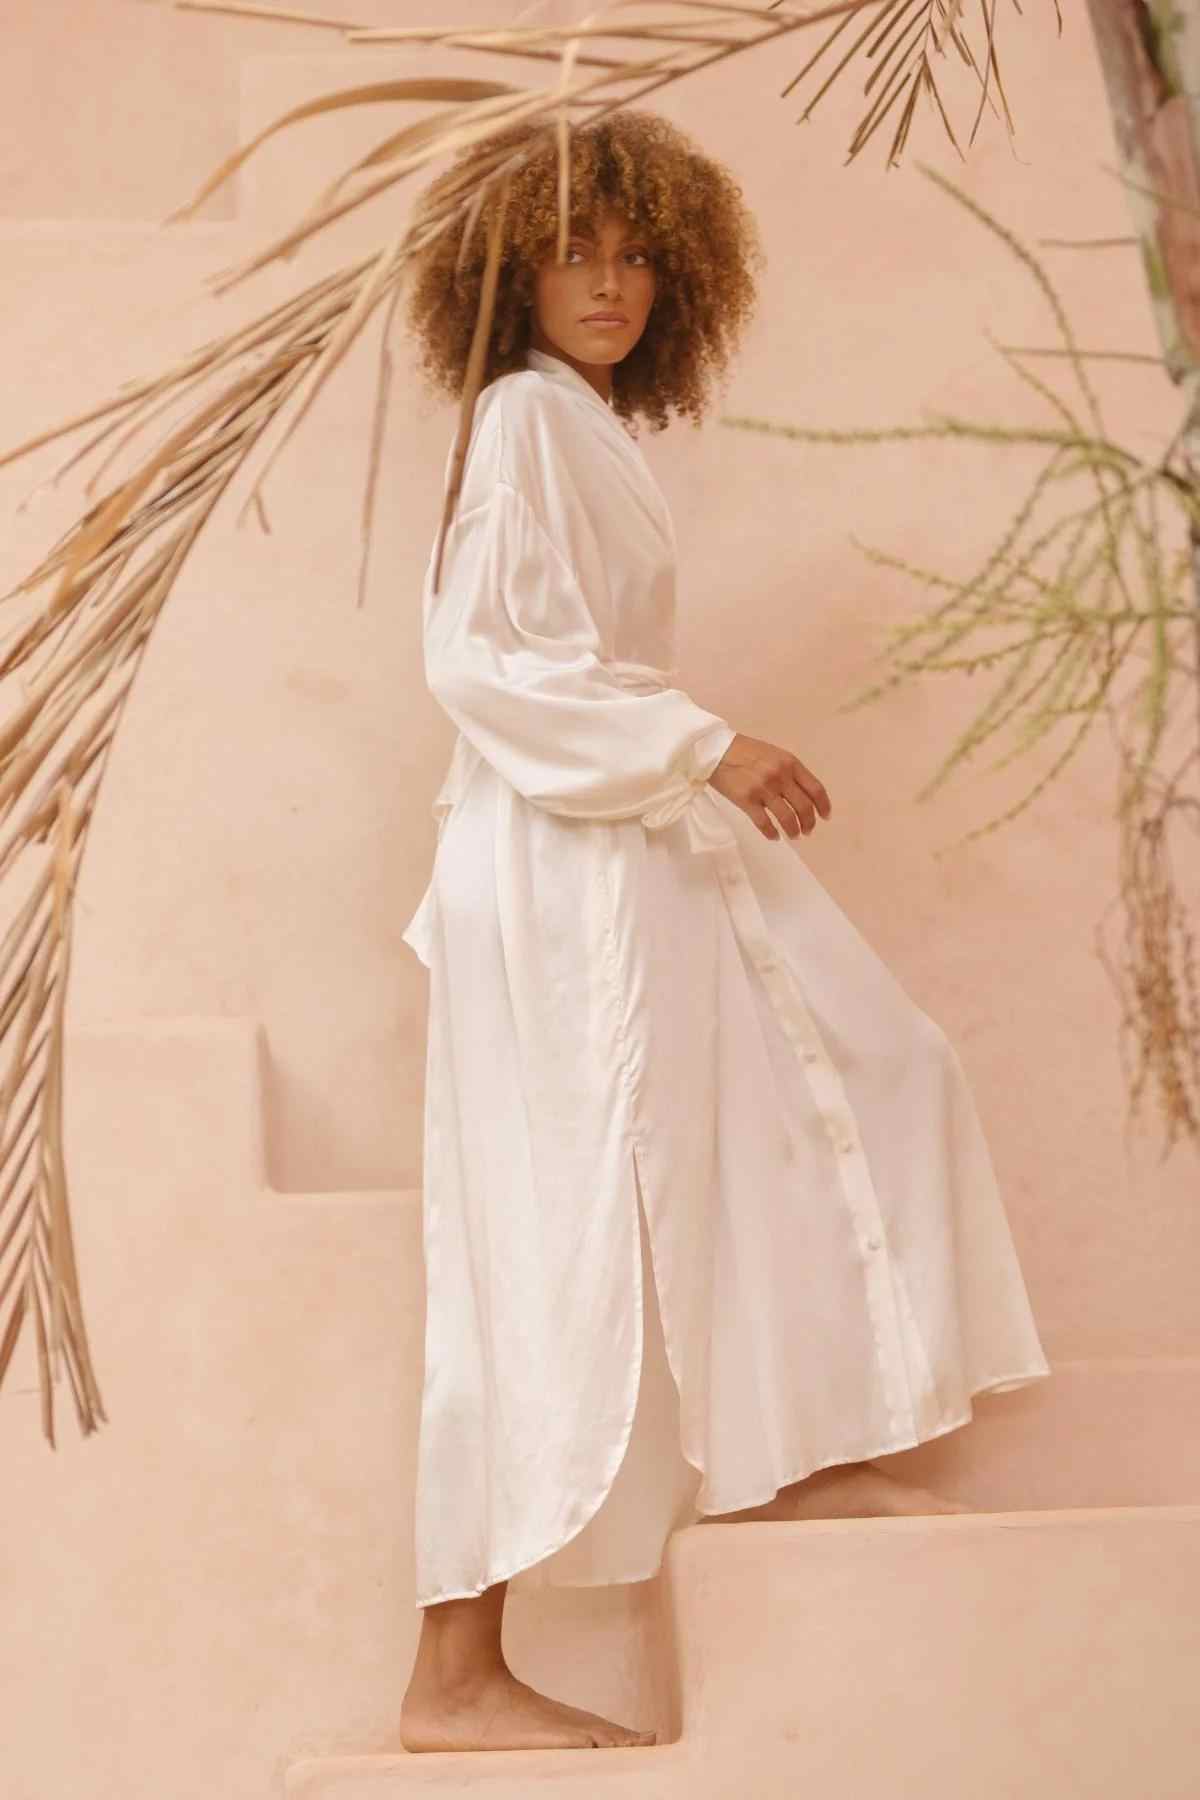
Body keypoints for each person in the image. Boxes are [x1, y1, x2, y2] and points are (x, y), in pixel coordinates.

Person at [395, 109, 1051, 1754]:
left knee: (843, 1070)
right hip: (558, 857)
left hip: (607, 836)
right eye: (573, 252)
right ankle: (452, 1674)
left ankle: (815, 1441)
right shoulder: (526, 422)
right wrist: (702, 742)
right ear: (505, 270)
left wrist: (679, 757)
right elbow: (482, 664)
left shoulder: (587, 426)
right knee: (553, 1225)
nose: (609, 282)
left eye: (634, 254)